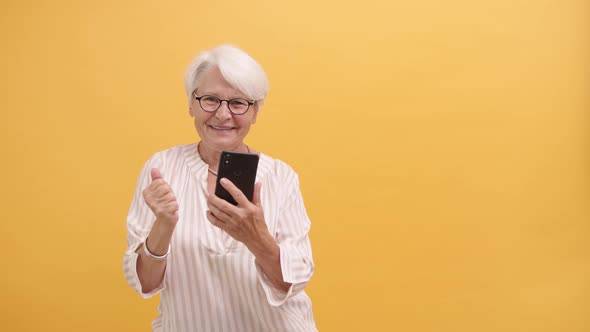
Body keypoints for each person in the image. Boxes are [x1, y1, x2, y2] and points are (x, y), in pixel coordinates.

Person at [123, 45, 317, 331]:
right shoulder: (161, 168)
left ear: (255, 112)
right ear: (191, 103)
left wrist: (255, 237)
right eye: (210, 100)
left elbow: (294, 280)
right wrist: (163, 226)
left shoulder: (280, 177)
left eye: (238, 103)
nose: (223, 115)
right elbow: (145, 283)